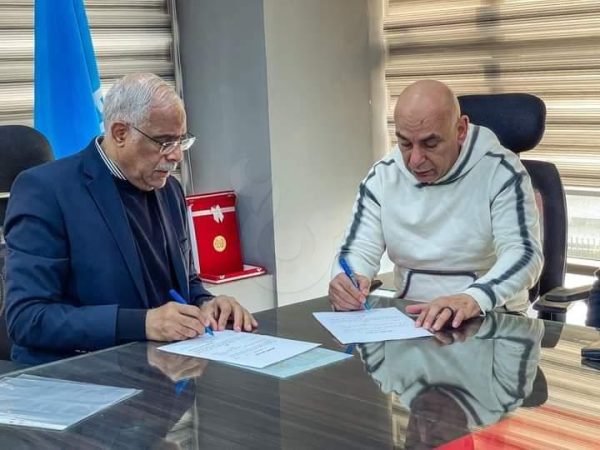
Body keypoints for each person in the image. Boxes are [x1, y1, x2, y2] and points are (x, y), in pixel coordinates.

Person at [4, 73, 257, 365]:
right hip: (81, 374)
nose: (176, 156)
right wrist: (142, 323)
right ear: (120, 133)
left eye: (181, 140)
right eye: (164, 142)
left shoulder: (169, 190)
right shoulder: (47, 191)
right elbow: (27, 318)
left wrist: (207, 303)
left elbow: (185, 283)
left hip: (165, 371)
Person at [329, 80, 543, 330]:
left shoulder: (501, 172)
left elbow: (524, 254)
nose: (415, 160)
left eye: (430, 144)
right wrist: (347, 280)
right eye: (405, 143)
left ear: (460, 129)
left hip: (489, 318)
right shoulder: (383, 176)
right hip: (412, 319)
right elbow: (358, 249)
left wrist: (474, 297)